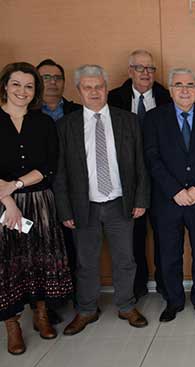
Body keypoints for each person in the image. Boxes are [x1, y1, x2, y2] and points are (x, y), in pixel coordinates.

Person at [54, 64, 150, 335]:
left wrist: (141, 199)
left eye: (99, 86)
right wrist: (64, 210)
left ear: (107, 88)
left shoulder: (128, 120)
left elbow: (141, 165)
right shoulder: (66, 126)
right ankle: (86, 310)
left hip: (120, 202)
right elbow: (60, 173)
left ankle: (126, 305)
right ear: (79, 90)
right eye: (88, 87)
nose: (94, 92)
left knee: (125, 259)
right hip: (83, 206)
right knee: (85, 262)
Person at [0, 62, 72, 354]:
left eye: (29, 86)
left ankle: (41, 315)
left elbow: (49, 166)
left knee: (40, 261)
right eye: (16, 84)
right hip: (2, 204)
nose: (22, 91)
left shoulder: (43, 122)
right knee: (8, 263)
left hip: (39, 201)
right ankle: (12, 325)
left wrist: (16, 185)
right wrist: (8, 201)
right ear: (5, 86)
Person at [144, 68, 195, 322]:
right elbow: (152, 158)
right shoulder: (155, 118)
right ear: (170, 90)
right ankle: (174, 301)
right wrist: (175, 191)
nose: (185, 90)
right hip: (168, 201)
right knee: (169, 254)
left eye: (190, 85)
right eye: (179, 85)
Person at [108, 49, 172, 301]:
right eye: (140, 68)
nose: (146, 73)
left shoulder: (167, 97)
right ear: (130, 71)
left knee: (164, 234)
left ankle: (165, 284)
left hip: (162, 179)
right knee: (133, 235)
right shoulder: (114, 99)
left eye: (150, 69)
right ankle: (137, 285)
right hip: (127, 180)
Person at [36, 58, 82, 325]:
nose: (52, 82)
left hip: (76, 191)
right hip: (38, 192)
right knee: (44, 249)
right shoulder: (28, 114)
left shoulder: (77, 111)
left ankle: (79, 298)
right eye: (46, 77)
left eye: (57, 77)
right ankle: (47, 304)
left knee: (74, 245)